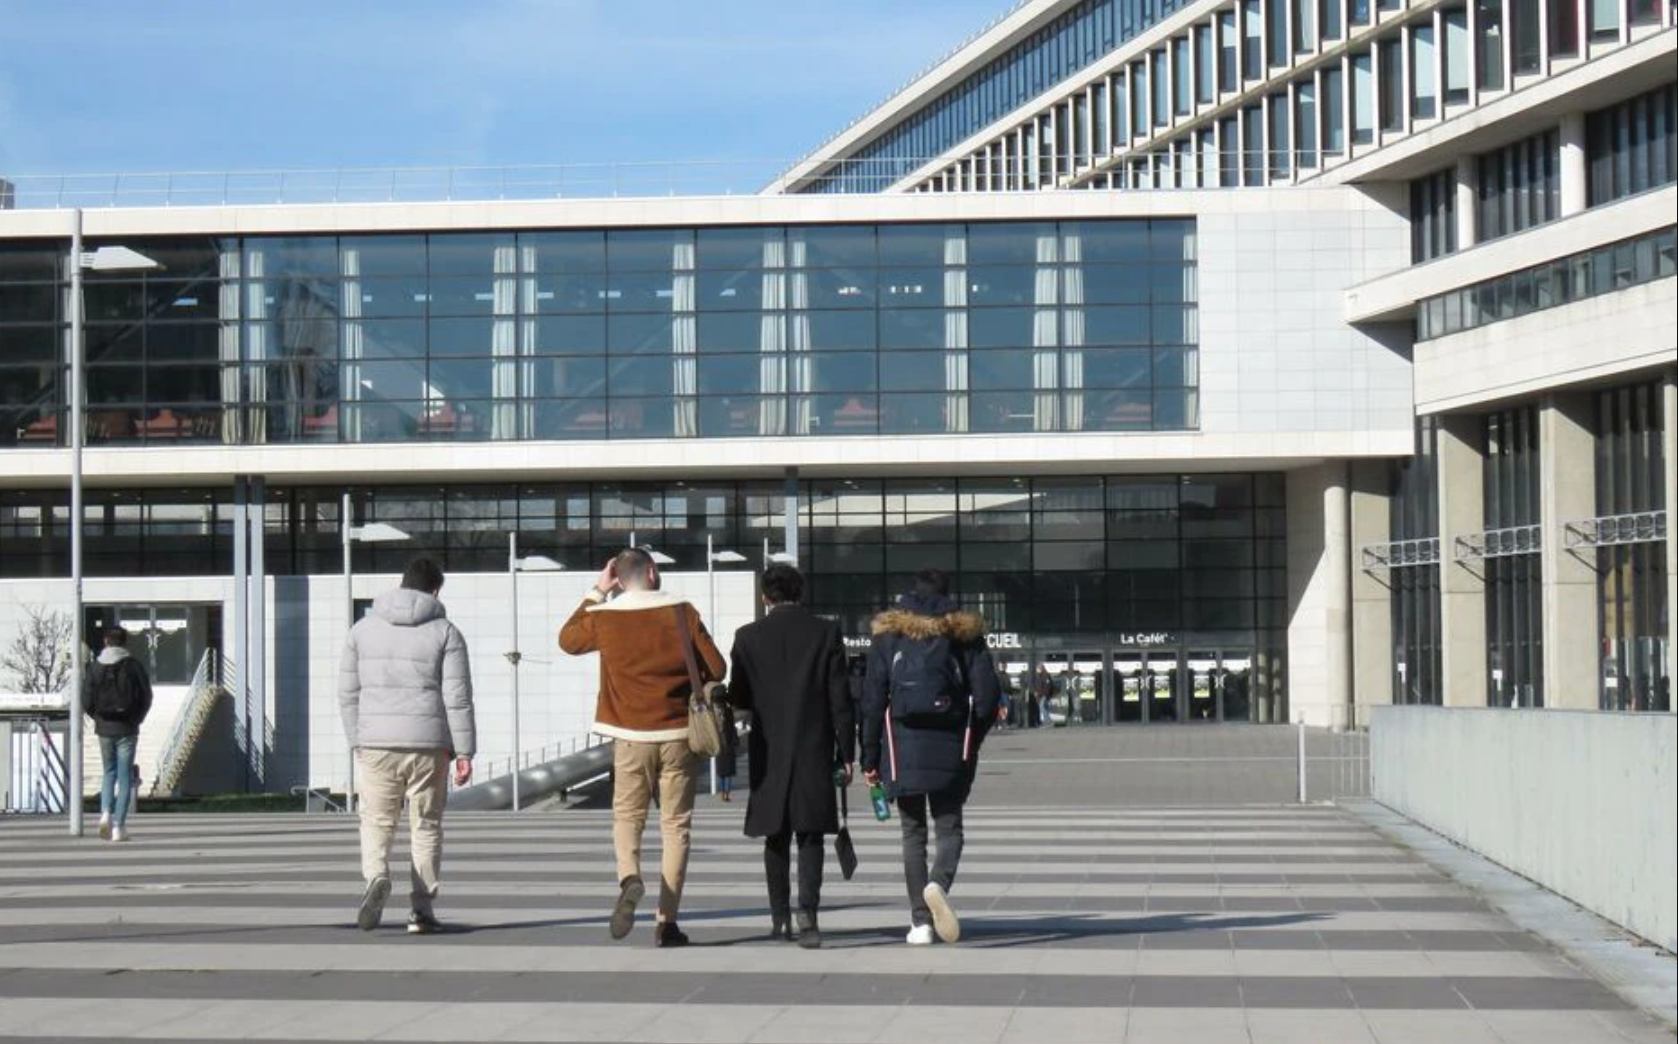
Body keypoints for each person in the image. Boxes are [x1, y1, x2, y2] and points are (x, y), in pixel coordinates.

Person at [559, 547, 726, 948]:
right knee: (676, 826)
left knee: (627, 816)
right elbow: (717, 668)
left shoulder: (604, 617)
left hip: (629, 734)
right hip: (677, 736)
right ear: (652, 571)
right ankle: (667, 922)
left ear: (618, 577)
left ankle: (630, 877)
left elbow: (567, 640)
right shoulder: (681, 612)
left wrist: (596, 592)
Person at [860, 568, 1000, 946]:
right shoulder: (963, 634)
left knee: (912, 833)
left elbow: (873, 701)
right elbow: (987, 698)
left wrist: (869, 757)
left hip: (901, 749)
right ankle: (938, 884)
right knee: (949, 827)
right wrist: (973, 737)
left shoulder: (889, 635)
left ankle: (920, 923)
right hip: (951, 744)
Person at [338, 556, 476, 936]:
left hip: (376, 743)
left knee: (377, 821)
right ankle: (422, 909)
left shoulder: (361, 630)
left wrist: (358, 740)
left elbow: (347, 693)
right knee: (426, 825)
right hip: (429, 745)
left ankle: (377, 878)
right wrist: (464, 752)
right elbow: (457, 697)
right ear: (435, 590)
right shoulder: (446, 632)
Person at [727, 563, 854, 949]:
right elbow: (840, 699)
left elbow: (740, 697)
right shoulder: (825, 632)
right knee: (810, 833)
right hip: (814, 745)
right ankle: (808, 915)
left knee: (775, 834)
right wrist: (847, 752)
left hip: (768, 746)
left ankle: (779, 916)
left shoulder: (747, 637)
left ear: (765, 597)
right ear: (801, 591)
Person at [82, 627, 153, 842]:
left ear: (105, 641)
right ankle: (119, 827)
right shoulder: (134, 666)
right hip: (127, 728)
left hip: (104, 728)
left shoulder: (95, 667)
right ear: (125, 643)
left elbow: (86, 699)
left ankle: (105, 813)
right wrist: (136, 719)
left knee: (108, 772)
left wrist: (99, 718)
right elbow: (146, 696)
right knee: (125, 778)